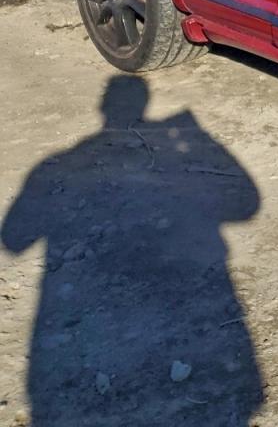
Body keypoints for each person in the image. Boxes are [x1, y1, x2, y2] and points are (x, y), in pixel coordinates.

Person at [2, 76, 263, 426]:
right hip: (194, 317)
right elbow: (247, 204)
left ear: (101, 108)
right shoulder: (175, 148)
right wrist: (199, 141)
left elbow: (13, 239)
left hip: (92, 330)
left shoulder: (58, 164)